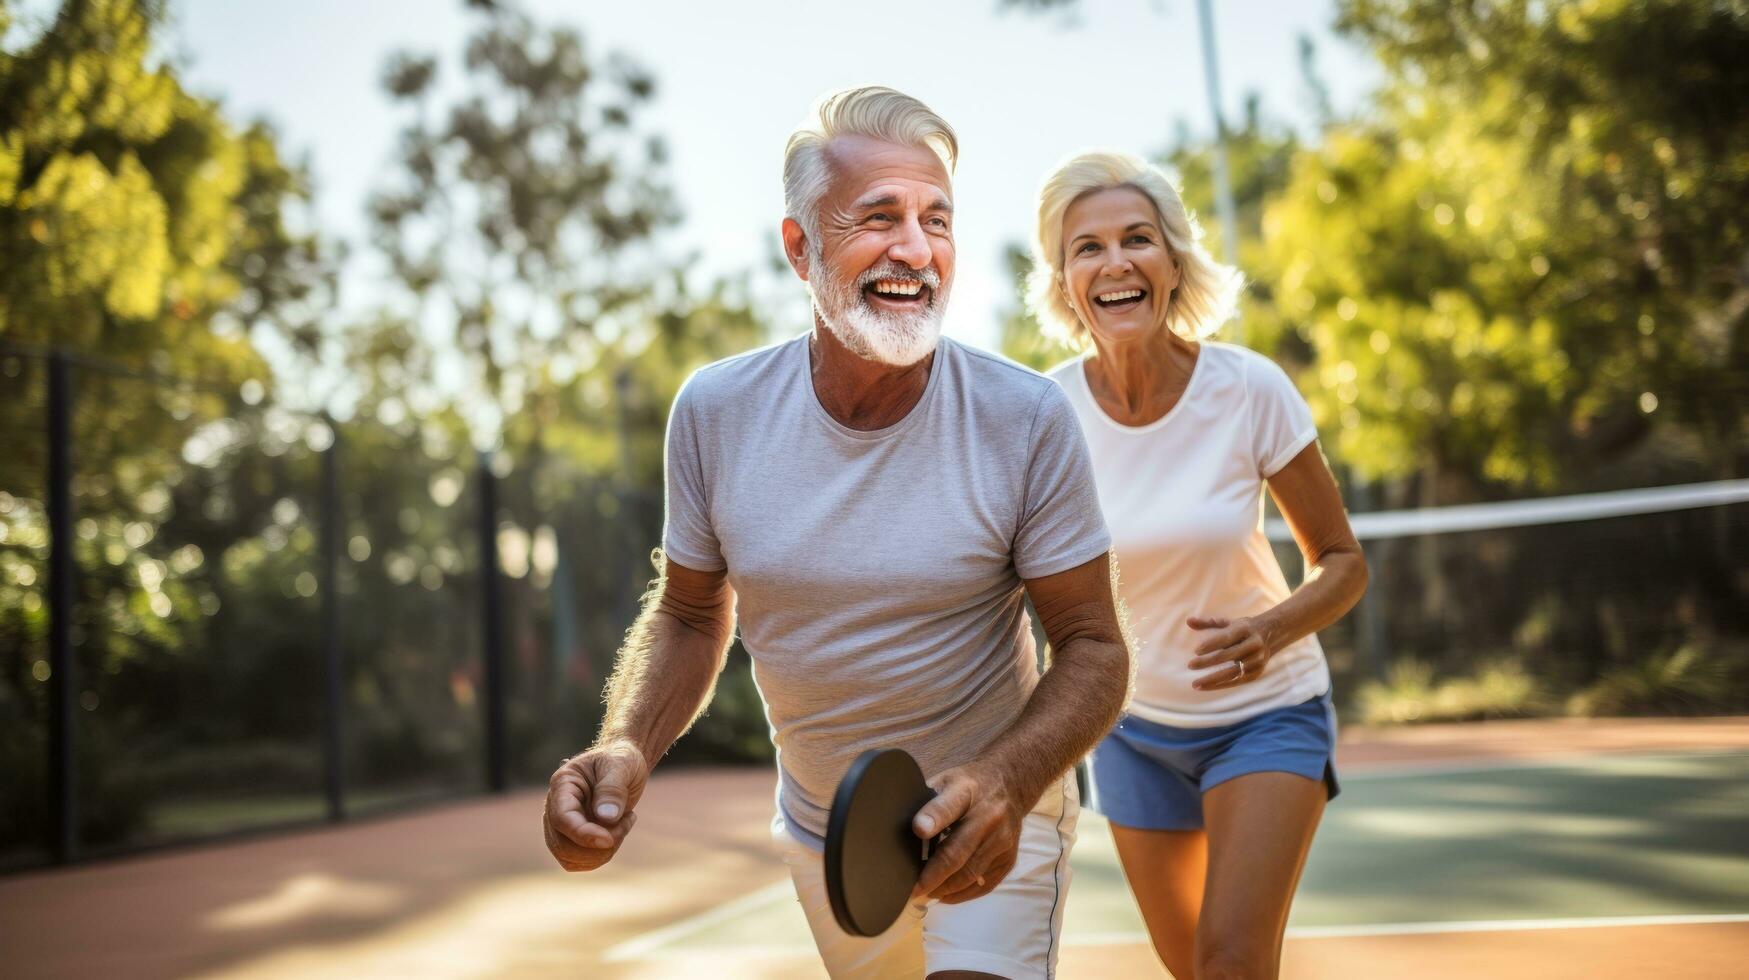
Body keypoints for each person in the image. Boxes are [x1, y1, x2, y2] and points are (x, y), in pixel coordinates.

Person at [542, 87, 1131, 980]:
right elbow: (693, 615)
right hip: (827, 836)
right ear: (799, 247)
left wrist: (1008, 779)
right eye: (876, 217)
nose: (915, 248)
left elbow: (1094, 646)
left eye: (937, 219)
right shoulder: (715, 412)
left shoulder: (1025, 417)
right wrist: (625, 742)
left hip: (994, 818)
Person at [1028, 150, 1369, 980]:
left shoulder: (1249, 389)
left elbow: (1342, 562)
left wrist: (1271, 626)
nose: (1114, 262)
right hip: (1132, 733)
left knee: (1230, 963)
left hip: (1266, 714)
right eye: (1087, 248)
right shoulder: (1046, 412)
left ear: (1173, 262)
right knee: (1191, 970)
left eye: (1136, 239)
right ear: (1065, 282)